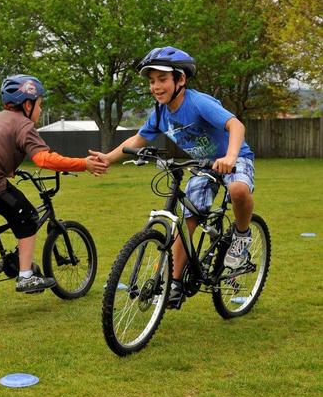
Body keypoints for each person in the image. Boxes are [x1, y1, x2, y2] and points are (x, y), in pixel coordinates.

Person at [90, 46, 255, 308]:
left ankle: (242, 236)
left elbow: (236, 125)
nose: (156, 86)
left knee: (237, 191)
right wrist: (108, 158)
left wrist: (231, 157)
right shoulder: (159, 113)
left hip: (233, 158)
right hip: (202, 166)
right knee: (187, 218)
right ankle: (175, 282)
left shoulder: (198, 102)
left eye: (162, 79)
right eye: (152, 81)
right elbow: (138, 138)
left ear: (181, 79)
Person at [0, 74, 108, 294]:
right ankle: (26, 275)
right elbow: (44, 159)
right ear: (27, 104)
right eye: (40, 105)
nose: (40, 110)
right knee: (27, 217)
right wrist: (83, 164)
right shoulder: (23, 124)